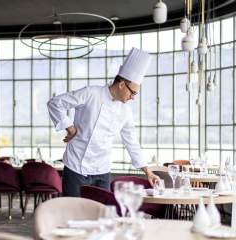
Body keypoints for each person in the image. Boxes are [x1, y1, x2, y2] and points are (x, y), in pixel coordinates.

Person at [47, 47, 160, 197]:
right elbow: (55, 103)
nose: (133, 97)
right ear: (121, 84)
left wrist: (148, 171)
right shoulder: (91, 93)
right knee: (73, 214)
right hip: (76, 167)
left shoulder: (125, 111)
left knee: (102, 216)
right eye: (132, 92)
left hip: (102, 171)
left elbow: (132, 142)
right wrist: (70, 128)